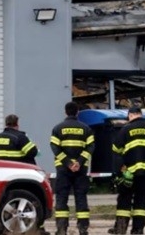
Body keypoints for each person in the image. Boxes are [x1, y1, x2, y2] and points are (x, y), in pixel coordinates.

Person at [109, 104, 145, 235]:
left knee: (124, 199)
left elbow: (116, 150)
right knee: (142, 200)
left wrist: (119, 170)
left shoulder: (126, 129)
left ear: (130, 115)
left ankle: (120, 228)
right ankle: (138, 230)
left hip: (130, 172)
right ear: (141, 114)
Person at [50, 101, 95, 235]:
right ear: (77, 112)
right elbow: (91, 147)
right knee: (81, 197)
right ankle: (83, 228)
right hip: (81, 169)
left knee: (61, 197)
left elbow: (55, 147)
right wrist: (79, 162)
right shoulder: (86, 129)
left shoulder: (57, 128)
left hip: (63, 169)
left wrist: (68, 163)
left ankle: (61, 229)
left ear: (65, 112)